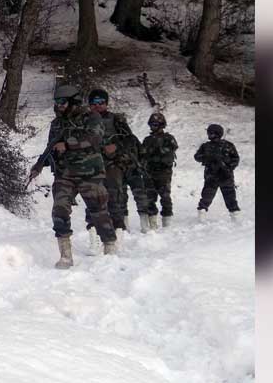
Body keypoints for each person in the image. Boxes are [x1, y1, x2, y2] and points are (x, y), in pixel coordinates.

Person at [28, 85, 117, 268]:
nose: (59, 105)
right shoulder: (57, 123)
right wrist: (39, 165)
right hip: (65, 174)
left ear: (73, 101)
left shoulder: (91, 117)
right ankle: (66, 256)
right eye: (56, 102)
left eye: (62, 102)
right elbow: (51, 147)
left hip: (90, 174)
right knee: (59, 211)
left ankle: (110, 248)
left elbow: (95, 139)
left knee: (99, 212)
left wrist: (68, 145)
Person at [84, 89, 151, 233]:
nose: (97, 105)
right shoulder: (83, 120)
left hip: (113, 164)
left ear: (106, 103)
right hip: (90, 166)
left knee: (116, 198)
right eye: (94, 103)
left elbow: (129, 139)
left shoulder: (116, 119)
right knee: (93, 199)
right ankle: (94, 232)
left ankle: (120, 229)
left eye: (101, 102)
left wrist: (116, 146)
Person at [194, 123, 241, 221]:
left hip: (225, 176)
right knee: (206, 197)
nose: (209, 135)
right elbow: (197, 157)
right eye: (209, 133)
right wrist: (207, 158)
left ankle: (235, 217)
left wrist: (228, 167)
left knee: (230, 198)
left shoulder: (228, 145)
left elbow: (235, 159)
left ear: (217, 134)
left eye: (211, 133)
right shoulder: (206, 146)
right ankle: (201, 216)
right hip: (211, 176)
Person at [139, 111, 178, 229]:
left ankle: (167, 223)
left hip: (163, 172)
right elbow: (142, 154)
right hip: (149, 172)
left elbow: (172, 151)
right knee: (149, 198)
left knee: (165, 197)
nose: (153, 127)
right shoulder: (147, 140)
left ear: (162, 125)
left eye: (155, 125)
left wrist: (159, 152)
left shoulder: (168, 138)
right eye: (152, 124)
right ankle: (153, 223)